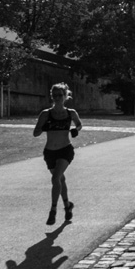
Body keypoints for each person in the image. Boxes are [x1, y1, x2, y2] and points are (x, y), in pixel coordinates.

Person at [33, 83, 83, 225]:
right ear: (52, 97)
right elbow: (35, 133)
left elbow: (79, 124)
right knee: (60, 180)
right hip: (50, 152)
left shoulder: (71, 113)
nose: (57, 98)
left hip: (65, 150)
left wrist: (76, 129)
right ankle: (67, 206)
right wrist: (43, 127)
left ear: (65, 96)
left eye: (60, 95)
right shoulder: (45, 114)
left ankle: (53, 211)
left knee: (56, 178)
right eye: (54, 95)